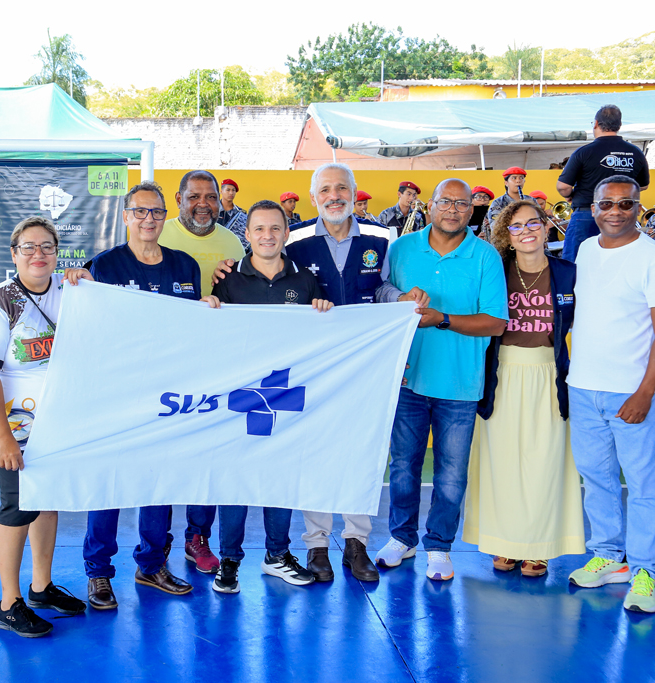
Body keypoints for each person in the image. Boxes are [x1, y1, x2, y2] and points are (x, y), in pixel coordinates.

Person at [215, 163, 429, 584]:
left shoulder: (381, 237)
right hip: (312, 370)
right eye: (326, 189)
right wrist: (228, 269)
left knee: (360, 450)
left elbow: (382, 288)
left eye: (342, 188)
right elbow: (266, 274)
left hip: (363, 364)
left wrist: (400, 301)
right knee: (313, 451)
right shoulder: (294, 240)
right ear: (313, 197)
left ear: (353, 191)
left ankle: (356, 542)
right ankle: (316, 544)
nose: (335, 195)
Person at [67, 181, 208, 609]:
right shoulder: (104, 266)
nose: (149, 219)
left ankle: (151, 565)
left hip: (166, 394)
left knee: (157, 482)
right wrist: (75, 282)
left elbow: (196, 328)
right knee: (109, 483)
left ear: (166, 216)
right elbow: (85, 321)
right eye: (140, 211)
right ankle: (98, 571)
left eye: (156, 211)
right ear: (126, 216)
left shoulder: (185, 265)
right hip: (117, 394)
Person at [376, 178, 508, 581]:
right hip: (407, 379)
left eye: (462, 204)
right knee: (403, 466)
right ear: (430, 206)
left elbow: (496, 322)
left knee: (451, 472)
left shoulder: (485, 256)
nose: (453, 209)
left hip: (459, 383)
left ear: (472, 210)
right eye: (445, 201)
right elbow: (379, 290)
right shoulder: (401, 248)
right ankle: (401, 538)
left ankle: (439, 546)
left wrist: (443, 319)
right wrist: (398, 297)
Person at [206, 200, 333, 593]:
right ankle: (229, 560)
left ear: (286, 233)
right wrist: (209, 307)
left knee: (281, 474)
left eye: (275, 228)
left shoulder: (305, 280)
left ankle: (277, 555)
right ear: (247, 234)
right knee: (235, 478)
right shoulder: (229, 280)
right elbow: (211, 334)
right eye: (259, 228)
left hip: (285, 394)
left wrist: (324, 310)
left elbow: (324, 334)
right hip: (241, 396)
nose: (267, 235)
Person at [0, 216, 87, 638]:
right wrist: (4, 437)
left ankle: (41, 587)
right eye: (29, 247)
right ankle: (9, 603)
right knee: (18, 507)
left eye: (47, 247)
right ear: (14, 254)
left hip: (59, 421)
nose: (38, 254)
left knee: (47, 501)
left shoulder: (71, 293)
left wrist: (88, 283)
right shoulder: (0, 301)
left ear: (57, 252)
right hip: (18, 424)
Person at [464, 199, 585, 578]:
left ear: (547, 227)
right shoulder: (495, 270)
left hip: (549, 373)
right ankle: (505, 542)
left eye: (533, 223)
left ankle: (539, 547)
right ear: (507, 234)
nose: (526, 231)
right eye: (516, 226)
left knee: (545, 463)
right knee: (502, 463)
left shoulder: (569, 273)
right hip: (502, 374)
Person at [566, 175, 655, 614]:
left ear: (638, 208)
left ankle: (648, 573)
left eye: (626, 204)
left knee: (645, 486)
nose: (615, 211)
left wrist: (646, 392)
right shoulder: (586, 249)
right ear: (594, 208)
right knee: (597, 479)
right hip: (584, 388)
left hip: (633, 393)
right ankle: (609, 556)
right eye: (607, 204)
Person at [157, 170, 245, 573]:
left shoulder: (233, 243)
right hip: (167, 363)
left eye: (211, 196)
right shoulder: (159, 234)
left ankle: (198, 536)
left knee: (208, 452)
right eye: (195, 196)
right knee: (162, 452)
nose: (204, 204)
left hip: (216, 365)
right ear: (179, 199)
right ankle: (157, 539)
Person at [558, 105, 650, 263]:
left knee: (574, 264)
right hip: (622, 216)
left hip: (587, 215)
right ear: (619, 125)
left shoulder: (584, 152)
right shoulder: (636, 152)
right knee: (619, 262)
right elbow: (643, 185)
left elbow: (563, 186)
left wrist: (570, 195)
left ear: (595, 123)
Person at [480, 168, 531, 240]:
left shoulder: (531, 201)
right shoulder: (498, 203)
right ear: (506, 183)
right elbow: (496, 227)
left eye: (521, 178)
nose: (518, 181)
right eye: (514, 178)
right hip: (507, 242)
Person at [218, 178, 248, 247]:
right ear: (221, 191)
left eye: (233, 190)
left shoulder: (240, 213)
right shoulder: (212, 210)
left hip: (232, 248)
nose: (231, 193)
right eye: (228, 190)